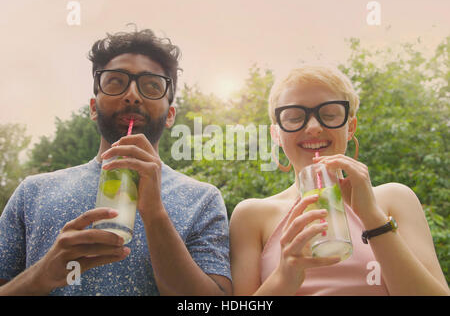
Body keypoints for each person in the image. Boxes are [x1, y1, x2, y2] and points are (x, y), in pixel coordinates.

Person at [0, 28, 231, 295]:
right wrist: (41, 275)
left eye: (152, 85)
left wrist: (155, 215)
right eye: (115, 82)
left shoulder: (202, 199)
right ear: (93, 108)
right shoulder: (33, 192)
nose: (132, 95)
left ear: (170, 116)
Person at [230, 64, 449, 296]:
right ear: (276, 134)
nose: (313, 127)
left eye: (329, 115)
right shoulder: (251, 215)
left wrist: (372, 218)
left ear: (350, 126)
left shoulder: (394, 198)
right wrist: (284, 277)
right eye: (294, 117)